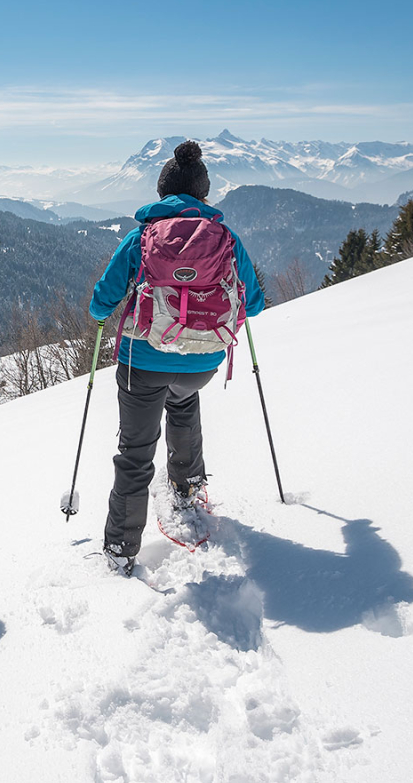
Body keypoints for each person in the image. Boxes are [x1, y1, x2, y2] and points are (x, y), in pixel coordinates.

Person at [87, 140, 265, 575]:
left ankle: (121, 547)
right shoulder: (224, 237)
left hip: (141, 362)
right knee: (184, 403)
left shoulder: (142, 237)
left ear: (162, 192)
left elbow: (102, 301)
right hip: (203, 361)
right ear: (203, 195)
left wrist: (99, 314)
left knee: (135, 454)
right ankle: (187, 487)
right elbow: (254, 303)